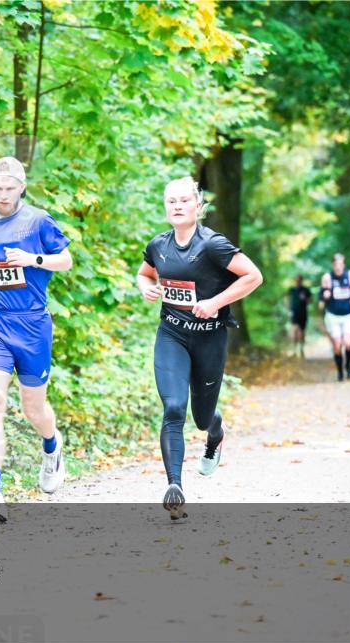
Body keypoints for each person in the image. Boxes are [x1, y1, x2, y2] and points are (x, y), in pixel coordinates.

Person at [0, 156, 73, 524]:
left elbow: (65, 260)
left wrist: (34, 258)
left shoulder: (38, 220)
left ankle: (52, 448)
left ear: (21, 187)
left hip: (33, 325)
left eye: (10, 188)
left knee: (33, 410)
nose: (3, 194)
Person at [136, 176, 263, 520]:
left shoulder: (212, 246)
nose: (176, 207)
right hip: (172, 335)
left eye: (183, 201)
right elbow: (144, 273)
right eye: (171, 202)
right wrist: (145, 287)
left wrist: (215, 302)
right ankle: (175, 487)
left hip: (210, 337)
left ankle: (216, 433)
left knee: (202, 417)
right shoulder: (158, 245)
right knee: (174, 407)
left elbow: (253, 276)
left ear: (197, 205)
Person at [319, 254, 350, 381]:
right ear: (333, 265)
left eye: (341, 264)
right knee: (337, 346)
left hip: (348, 315)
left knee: (348, 343)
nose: (338, 267)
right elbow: (321, 297)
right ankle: (339, 372)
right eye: (336, 264)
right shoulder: (327, 278)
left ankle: (348, 366)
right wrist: (324, 296)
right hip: (333, 316)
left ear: (344, 264)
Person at [287, 275, 312, 357]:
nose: (298, 282)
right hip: (294, 313)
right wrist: (288, 308)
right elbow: (287, 299)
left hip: (303, 313)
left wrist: (305, 299)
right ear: (295, 281)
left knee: (301, 332)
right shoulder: (292, 290)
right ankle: (294, 350)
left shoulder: (305, 290)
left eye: (299, 280)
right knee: (294, 331)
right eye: (296, 280)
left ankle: (301, 349)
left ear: (301, 281)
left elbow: (310, 301)